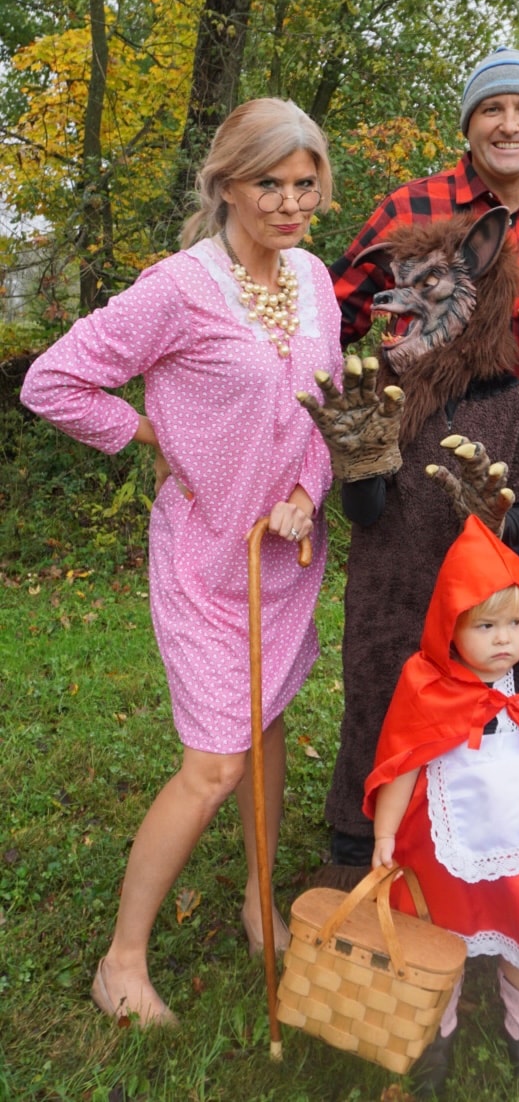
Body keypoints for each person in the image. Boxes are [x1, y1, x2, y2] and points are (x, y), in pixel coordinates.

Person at [20, 98, 343, 1026]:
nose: (289, 203)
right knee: (214, 764)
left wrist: (306, 492)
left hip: (282, 554)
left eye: (304, 184)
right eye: (268, 184)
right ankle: (121, 962)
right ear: (227, 186)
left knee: (270, 720)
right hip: (205, 556)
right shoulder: (180, 287)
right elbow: (54, 381)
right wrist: (143, 430)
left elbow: (327, 406)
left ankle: (256, 899)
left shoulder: (315, 279)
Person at [329, 47, 519, 587]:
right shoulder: (410, 209)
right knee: (406, 654)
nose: (508, 125)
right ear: (469, 125)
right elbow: (330, 315)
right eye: (491, 109)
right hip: (414, 491)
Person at [306, 209, 519, 876]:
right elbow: (366, 510)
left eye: (427, 284)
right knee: (376, 710)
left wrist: (492, 516)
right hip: (388, 592)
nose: (397, 301)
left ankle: (448, 845)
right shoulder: (382, 381)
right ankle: (356, 843)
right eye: (401, 284)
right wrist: (359, 463)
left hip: (475, 606)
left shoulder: (509, 402)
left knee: (464, 726)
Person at [364, 516, 519, 1093]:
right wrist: (384, 837)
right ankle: (435, 1031)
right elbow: (403, 762)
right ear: (450, 626)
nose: (504, 639)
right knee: (440, 937)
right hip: (447, 844)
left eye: (517, 623)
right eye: (486, 625)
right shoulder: (427, 685)